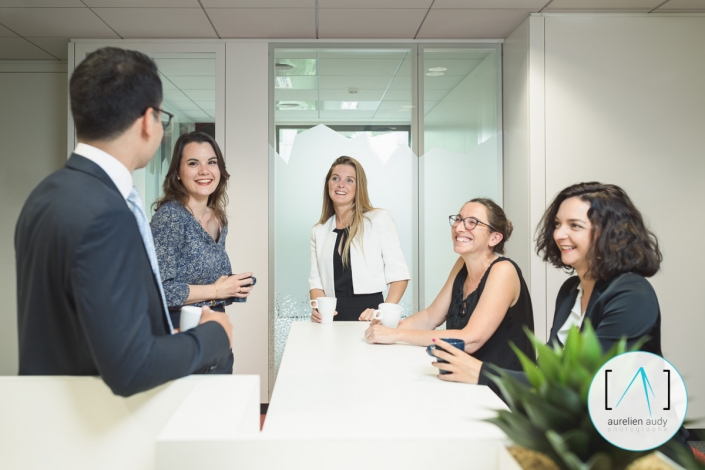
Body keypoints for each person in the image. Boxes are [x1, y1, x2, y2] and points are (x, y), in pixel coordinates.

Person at [15, 47, 233, 397]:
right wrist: (213, 336)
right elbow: (132, 368)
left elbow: (83, 328)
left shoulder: (46, 194)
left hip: (49, 415)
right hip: (96, 425)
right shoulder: (107, 213)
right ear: (149, 121)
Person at [430, 183, 663, 386]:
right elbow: (547, 374)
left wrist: (482, 373)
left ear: (610, 234)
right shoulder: (570, 292)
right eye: (557, 224)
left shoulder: (632, 294)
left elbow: (588, 383)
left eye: (575, 225)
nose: (559, 234)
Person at [364, 199, 535, 372]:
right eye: (459, 219)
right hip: (464, 377)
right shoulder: (462, 264)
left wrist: (396, 335)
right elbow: (430, 317)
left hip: (503, 387)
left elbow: (470, 340)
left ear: (494, 238)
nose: (459, 228)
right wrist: (389, 328)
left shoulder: (503, 271)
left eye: (472, 222)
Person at [150, 131, 255, 374]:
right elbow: (159, 292)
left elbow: (207, 279)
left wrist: (232, 287)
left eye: (211, 162)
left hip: (215, 331)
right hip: (181, 336)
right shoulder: (169, 218)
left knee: (219, 409)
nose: (204, 171)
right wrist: (217, 290)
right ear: (178, 171)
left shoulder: (218, 218)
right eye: (193, 163)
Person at [309, 156, 410, 322]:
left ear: (359, 187)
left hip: (370, 314)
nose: (341, 185)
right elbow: (316, 282)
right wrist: (318, 309)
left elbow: (399, 275)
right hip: (331, 318)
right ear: (328, 184)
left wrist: (383, 312)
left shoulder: (379, 219)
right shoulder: (318, 231)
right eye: (335, 178)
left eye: (349, 180)